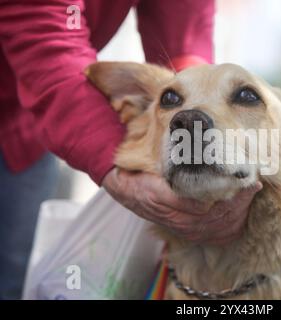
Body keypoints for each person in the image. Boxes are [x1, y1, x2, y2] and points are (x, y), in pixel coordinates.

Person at [0, 0, 262, 300]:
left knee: (13, 279)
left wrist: (192, 107)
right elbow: (46, 35)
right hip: (30, 96)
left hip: (21, 131)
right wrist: (120, 171)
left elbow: (182, 29)